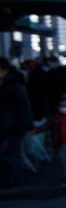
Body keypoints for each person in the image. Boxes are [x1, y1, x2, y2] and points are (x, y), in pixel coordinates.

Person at [0, 59, 34, 188]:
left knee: (12, 154)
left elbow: (24, 107)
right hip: (6, 125)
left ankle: (12, 180)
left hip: (12, 126)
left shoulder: (14, 86)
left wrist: (27, 126)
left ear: (4, 70)